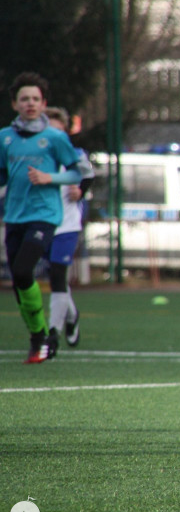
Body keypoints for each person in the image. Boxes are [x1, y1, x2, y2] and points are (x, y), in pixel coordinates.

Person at [1, 73, 88, 363]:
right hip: (15, 215)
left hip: (46, 216)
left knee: (27, 270)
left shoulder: (54, 138)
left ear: (43, 103)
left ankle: (47, 333)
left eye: (35, 99)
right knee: (19, 281)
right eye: (24, 99)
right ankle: (38, 335)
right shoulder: (5, 138)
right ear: (14, 103)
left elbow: (78, 172)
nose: (30, 103)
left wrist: (49, 177)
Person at [44, 107, 94, 348]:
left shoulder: (74, 155)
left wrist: (81, 191)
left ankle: (52, 333)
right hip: (41, 223)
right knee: (53, 277)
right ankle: (72, 315)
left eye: (59, 131)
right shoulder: (37, 156)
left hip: (67, 225)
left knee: (57, 275)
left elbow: (88, 177)